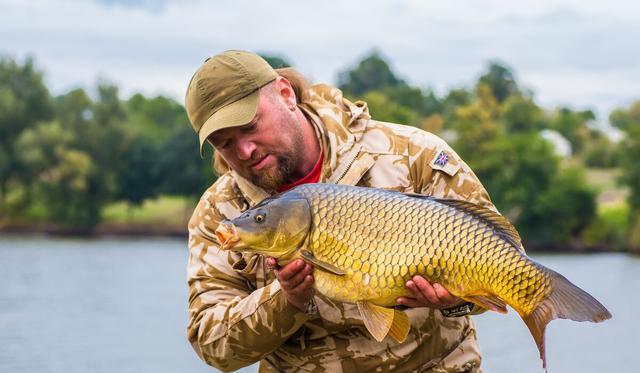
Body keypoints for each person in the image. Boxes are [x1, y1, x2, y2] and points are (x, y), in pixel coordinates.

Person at [184, 50, 501, 372]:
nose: (245, 150)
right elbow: (214, 346)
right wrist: (286, 299)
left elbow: (499, 266)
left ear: (285, 94)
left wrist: (458, 300)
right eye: (224, 143)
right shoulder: (220, 212)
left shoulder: (413, 155)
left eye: (250, 126)